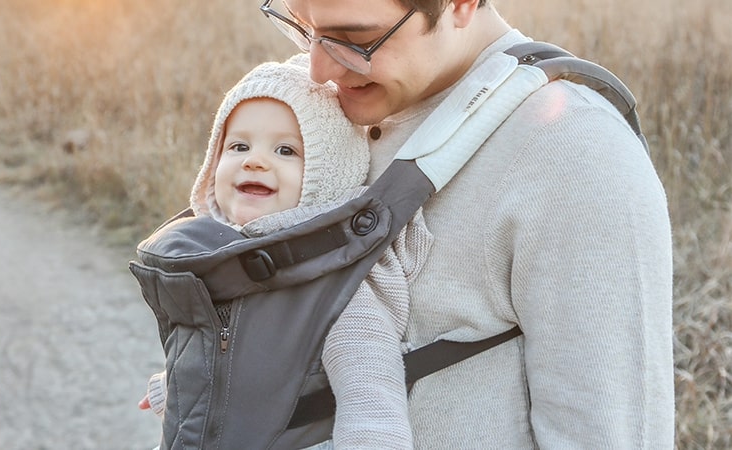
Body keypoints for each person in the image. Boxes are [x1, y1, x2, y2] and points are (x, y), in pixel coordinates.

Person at [257, 0, 675, 448]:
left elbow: (608, 434)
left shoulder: (577, 152)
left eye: (355, 40)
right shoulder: (313, 111)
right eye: (303, 28)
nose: (319, 69)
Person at [139, 56, 433, 449]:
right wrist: (174, 388)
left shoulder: (336, 290)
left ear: (329, 174)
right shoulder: (219, 261)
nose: (255, 160)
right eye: (239, 145)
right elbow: (233, 355)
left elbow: (373, 408)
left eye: (286, 151)